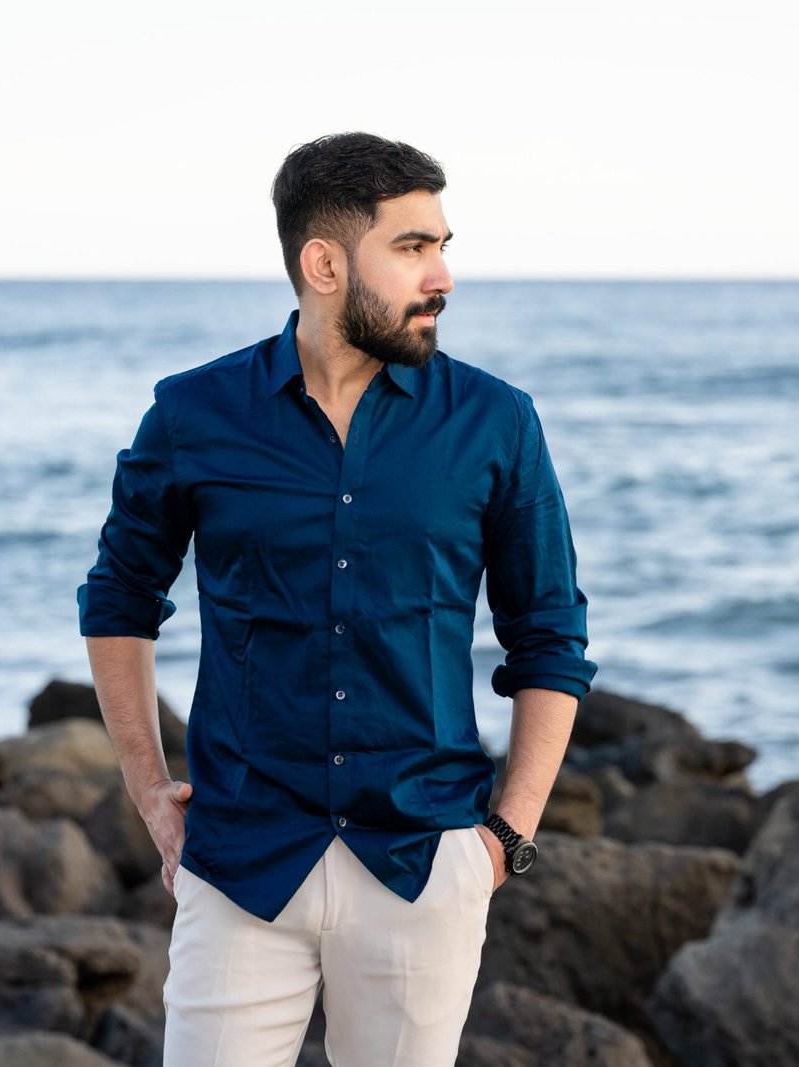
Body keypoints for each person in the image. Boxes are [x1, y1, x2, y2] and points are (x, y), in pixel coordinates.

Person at [78, 131, 596, 1067]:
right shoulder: (194, 415)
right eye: (412, 247)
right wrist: (151, 792)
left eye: (442, 245)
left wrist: (505, 837)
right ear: (324, 265)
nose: (442, 276)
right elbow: (119, 597)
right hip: (241, 863)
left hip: (424, 864)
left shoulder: (495, 422)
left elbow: (550, 634)